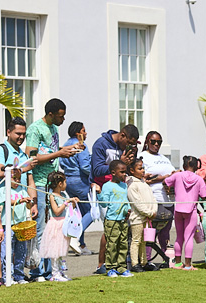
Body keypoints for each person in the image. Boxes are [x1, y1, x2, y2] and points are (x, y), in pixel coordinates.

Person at [26, 99, 78, 282]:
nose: (63, 120)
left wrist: (69, 149)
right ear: (50, 114)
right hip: (40, 183)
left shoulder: (54, 129)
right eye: (60, 116)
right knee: (41, 228)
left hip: (52, 183)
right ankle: (39, 271)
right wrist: (58, 154)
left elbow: (52, 150)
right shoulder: (35, 129)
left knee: (54, 229)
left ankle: (53, 271)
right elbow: (31, 157)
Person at [91, 124, 139, 274]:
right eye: (129, 142)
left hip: (120, 189)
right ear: (122, 135)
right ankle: (102, 264)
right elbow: (96, 169)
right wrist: (120, 160)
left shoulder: (124, 148)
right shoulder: (101, 144)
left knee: (120, 230)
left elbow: (124, 168)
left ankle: (119, 265)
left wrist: (130, 160)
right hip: (104, 189)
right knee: (110, 229)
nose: (129, 146)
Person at [164, 156, 206, 271]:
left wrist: (169, 189)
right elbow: (204, 195)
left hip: (178, 209)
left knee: (179, 237)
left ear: (183, 166)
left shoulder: (178, 175)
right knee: (188, 238)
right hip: (191, 210)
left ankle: (178, 264)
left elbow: (166, 182)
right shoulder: (198, 179)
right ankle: (188, 265)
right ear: (196, 167)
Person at [140, 131, 176, 262]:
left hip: (169, 200)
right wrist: (163, 178)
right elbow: (144, 178)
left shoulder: (164, 158)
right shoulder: (142, 157)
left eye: (159, 142)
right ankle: (147, 259)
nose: (156, 144)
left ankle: (166, 258)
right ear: (147, 142)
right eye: (153, 141)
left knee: (165, 232)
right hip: (154, 199)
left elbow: (172, 173)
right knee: (151, 232)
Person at [0, 167, 34, 284]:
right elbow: (6, 202)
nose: (17, 181)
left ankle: (19, 275)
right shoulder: (3, 190)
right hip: (8, 225)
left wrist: (28, 203)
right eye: (14, 178)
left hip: (21, 225)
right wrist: (20, 201)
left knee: (21, 251)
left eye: (19, 179)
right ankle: (8, 275)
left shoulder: (22, 190)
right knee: (7, 251)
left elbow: (27, 207)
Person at [61, 121, 93, 255]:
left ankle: (82, 244)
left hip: (68, 180)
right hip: (80, 180)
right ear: (78, 132)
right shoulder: (81, 145)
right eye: (84, 130)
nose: (86, 133)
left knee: (80, 212)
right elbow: (85, 167)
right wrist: (94, 173)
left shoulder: (65, 145)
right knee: (91, 212)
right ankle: (74, 238)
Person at [40, 171, 77, 282]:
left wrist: (73, 203)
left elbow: (69, 210)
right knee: (55, 251)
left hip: (64, 224)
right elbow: (56, 211)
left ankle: (60, 272)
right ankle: (54, 273)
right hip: (56, 224)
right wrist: (66, 203)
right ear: (60, 183)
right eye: (65, 182)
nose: (66, 184)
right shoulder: (52, 196)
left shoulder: (64, 195)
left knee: (61, 250)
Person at [98, 160, 131, 277]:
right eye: (121, 172)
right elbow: (103, 204)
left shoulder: (124, 185)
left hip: (123, 219)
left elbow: (125, 199)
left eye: (125, 172)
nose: (124, 174)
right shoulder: (107, 186)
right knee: (112, 244)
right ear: (113, 172)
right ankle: (111, 267)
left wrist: (129, 209)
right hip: (112, 220)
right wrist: (99, 193)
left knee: (123, 244)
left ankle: (121, 267)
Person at [126, 158, 157, 273]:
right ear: (132, 171)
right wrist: (148, 213)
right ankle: (135, 263)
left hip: (147, 218)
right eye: (140, 168)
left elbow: (153, 198)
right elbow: (137, 203)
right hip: (137, 218)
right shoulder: (132, 185)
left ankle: (144, 262)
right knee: (136, 240)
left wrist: (153, 210)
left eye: (143, 168)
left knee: (144, 241)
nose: (143, 170)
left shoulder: (144, 183)